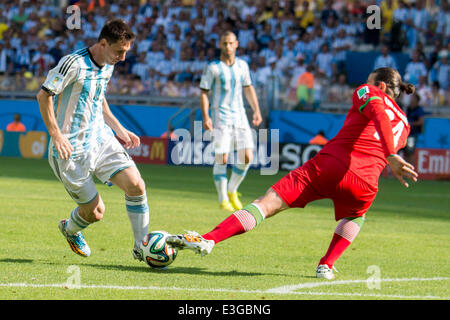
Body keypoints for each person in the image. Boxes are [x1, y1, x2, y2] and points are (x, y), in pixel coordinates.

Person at [167, 67, 419, 280]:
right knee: (357, 216)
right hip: (365, 183)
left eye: (369, 81)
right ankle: (326, 265)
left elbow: (378, 114)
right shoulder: (406, 125)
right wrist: (391, 156)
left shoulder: (368, 92)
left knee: (267, 204)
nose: (364, 84)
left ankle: (209, 239)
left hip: (331, 165)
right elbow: (383, 129)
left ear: (381, 86)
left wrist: (390, 155)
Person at [36, 19, 149, 262]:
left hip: (100, 139)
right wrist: (56, 135)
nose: (123, 57)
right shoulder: (72, 64)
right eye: (120, 51)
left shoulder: (108, 63)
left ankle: (142, 246)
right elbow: (44, 95)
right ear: (103, 43)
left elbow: (98, 96)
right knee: (96, 213)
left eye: (126, 52)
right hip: (70, 151)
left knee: (136, 186)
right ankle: (70, 229)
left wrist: (119, 128)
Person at [199, 31, 262, 212]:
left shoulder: (242, 65)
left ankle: (232, 190)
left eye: (230, 43)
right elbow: (204, 92)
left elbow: (248, 87)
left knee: (247, 156)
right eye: (224, 43)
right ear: (220, 44)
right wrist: (206, 117)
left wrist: (256, 110)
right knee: (222, 157)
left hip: (240, 116)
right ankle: (222, 199)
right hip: (220, 116)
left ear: (236, 44)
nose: (227, 46)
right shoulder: (212, 68)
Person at [404, 93, 425, 165]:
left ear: (416, 100)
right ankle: (405, 169)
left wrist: (411, 124)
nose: (411, 99)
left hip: (413, 134)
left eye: (412, 98)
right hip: (406, 133)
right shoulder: (409, 109)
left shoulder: (419, 109)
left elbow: (421, 122)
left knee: (410, 152)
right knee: (405, 152)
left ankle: (411, 169)